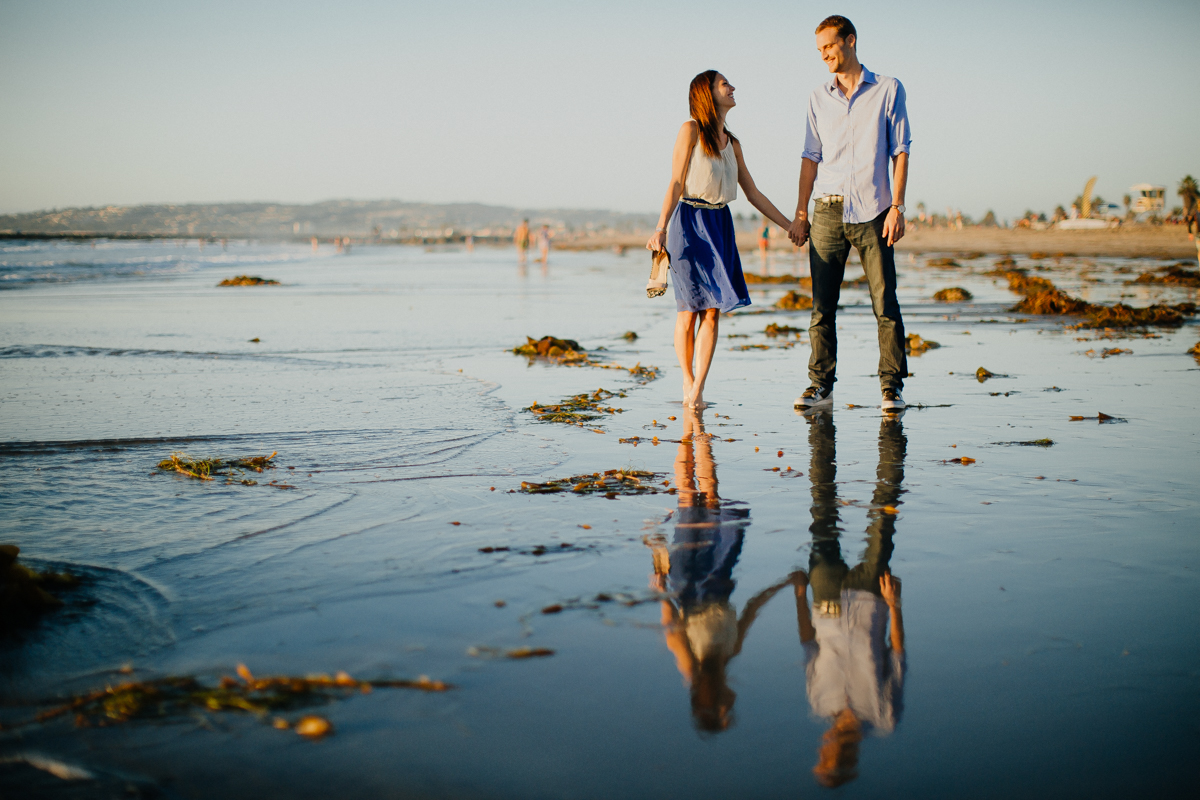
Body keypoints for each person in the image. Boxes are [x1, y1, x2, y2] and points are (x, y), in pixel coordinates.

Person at [647, 70, 793, 409]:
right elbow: (675, 183)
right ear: (707, 93)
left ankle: (698, 388)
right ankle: (686, 378)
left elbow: (753, 193)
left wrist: (789, 225)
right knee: (688, 310)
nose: (732, 88)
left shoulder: (733, 143)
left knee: (712, 312)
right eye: (724, 84)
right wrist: (660, 227)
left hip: (720, 224)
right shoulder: (691, 131)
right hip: (688, 222)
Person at [788, 16, 912, 412]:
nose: (824, 55)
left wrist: (897, 206)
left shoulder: (888, 89)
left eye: (829, 46)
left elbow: (901, 150)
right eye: (819, 50)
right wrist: (801, 212)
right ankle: (820, 386)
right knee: (822, 306)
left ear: (851, 41)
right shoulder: (817, 96)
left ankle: (891, 388)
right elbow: (810, 157)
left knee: (885, 303)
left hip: (875, 210)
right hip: (826, 210)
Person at [645, 408, 793, 733]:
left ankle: (688, 430)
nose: (732, 700)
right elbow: (754, 607)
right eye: (730, 705)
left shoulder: (693, 669)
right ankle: (698, 430)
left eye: (725, 706)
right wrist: (786, 583)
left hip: (687, 582)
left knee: (687, 495)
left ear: (707, 701)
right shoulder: (731, 652)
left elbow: (672, 631)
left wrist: (659, 585)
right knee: (711, 497)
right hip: (720, 575)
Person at [794, 410, 907, 787]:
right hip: (871, 599)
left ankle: (820, 432)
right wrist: (895, 606)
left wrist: (799, 594)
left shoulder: (817, 703)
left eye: (818, 755)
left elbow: (809, 644)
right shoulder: (883, 716)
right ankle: (892, 433)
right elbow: (897, 654)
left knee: (822, 509)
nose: (821, 747)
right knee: (884, 513)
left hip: (824, 596)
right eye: (824, 756)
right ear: (841, 756)